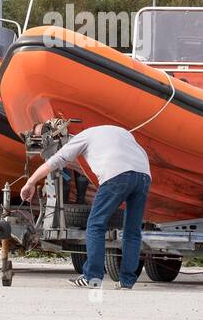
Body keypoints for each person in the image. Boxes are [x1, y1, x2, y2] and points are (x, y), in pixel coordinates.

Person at [20, 121, 151, 289]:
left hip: (116, 175)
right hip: (144, 176)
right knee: (132, 231)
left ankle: (92, 277)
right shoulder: (121, 131)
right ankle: (127, 281)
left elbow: (57, 160)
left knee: (96, 225)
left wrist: (30, 182)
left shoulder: (83, 136)